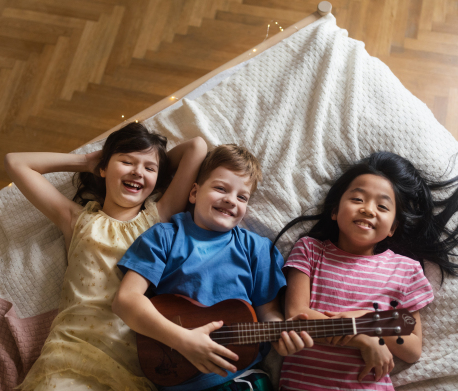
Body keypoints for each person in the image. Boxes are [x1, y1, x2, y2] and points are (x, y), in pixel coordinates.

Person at [4, 122, 207, 391]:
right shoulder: (77, 219)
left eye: (149, 168)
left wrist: (152, 167)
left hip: (130, 366)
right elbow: (16, 163)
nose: (137, 171)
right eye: (126, 161)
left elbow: (197, 147)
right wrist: (87, 161)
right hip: (69, 352)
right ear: (103, 168)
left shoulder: (157, 219)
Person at [113, 144, 314, 391]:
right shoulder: (165, 237)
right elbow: (125, 300)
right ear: (194, 193)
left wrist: (280, 335)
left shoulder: (256, 249)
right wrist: (183, 340)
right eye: (220, 188)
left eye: (242, 197)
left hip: (242, 378)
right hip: (177, 379)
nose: (231, 200)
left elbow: (268, 314)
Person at [275, 151, 458, 391]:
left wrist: (366, 320)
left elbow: (412, 349)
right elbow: (298, 318)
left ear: (393, 227)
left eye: (382, 206)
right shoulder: (309, 250)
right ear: (334, 211)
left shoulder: (405, 271)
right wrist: (362, 339)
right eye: (358, 199)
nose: (368, 210)